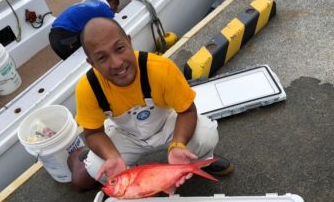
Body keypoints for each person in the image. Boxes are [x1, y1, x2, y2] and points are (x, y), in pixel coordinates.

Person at [68, 17, 233, 190]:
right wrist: (112, 156)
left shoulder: (161, 68)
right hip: (126, 135)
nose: (117, 63)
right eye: (102, 58)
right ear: (91, 63)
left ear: (129, 42)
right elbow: (93, 133)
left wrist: (177, 144)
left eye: (119, 48)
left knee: (206, 135)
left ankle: (201, 163)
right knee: (95, 167)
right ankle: (132, 187)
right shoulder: (88, 88)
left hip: (167, 125)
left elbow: (187, 111)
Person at [48, 0, 119, 60]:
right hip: (66, 38)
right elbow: (115, 22)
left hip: (55, 37)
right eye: (115, 7)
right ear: (112, 3)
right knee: (86, 59)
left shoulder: (91, 4)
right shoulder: (104, 8)